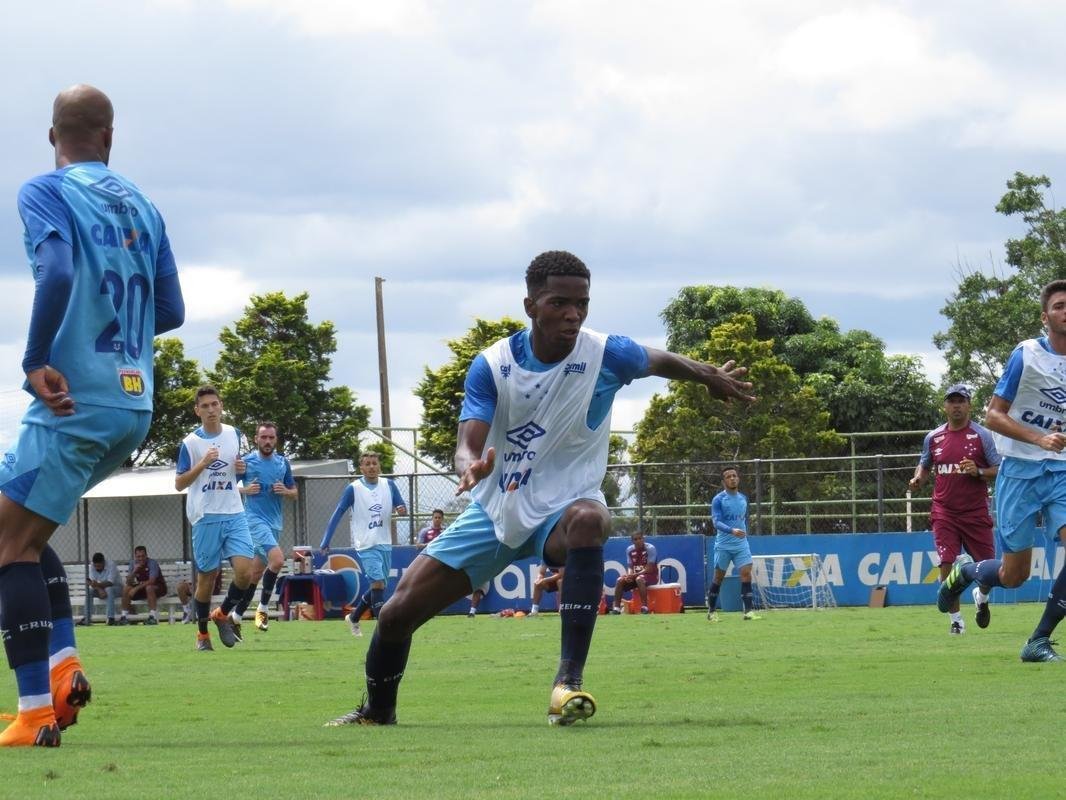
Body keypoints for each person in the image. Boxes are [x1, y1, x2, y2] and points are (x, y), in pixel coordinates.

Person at [323, 250, 754, 728]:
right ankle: (377, 713)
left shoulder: (605, 353)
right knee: (397, 614)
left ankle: (567, 682)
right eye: (559, 303)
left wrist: (709, 376)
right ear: (531, 305)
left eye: (582, 303)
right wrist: (471, 467)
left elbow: (659, 359)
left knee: (590, 520)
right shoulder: (493, 365)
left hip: (564, 509)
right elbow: (468, 443)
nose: (573, 314)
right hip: (496, 510)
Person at [0, 84, 184, 747]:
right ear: (110, 136)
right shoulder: (144, 204)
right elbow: (171, 311)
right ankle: (61, 673)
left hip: (72, 401)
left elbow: (54, 272)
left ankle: (34, 713)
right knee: (27, 533)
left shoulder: (46, 190)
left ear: (54, 138)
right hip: (132, 405)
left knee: (7, 547)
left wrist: (35, 360)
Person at [940, 279, 1066, 662]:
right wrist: (1038, 438)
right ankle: (966, 572)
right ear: (1045, 317)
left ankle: (1037, 641)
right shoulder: (1026, 355)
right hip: (1020, 472)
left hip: (1061, 471)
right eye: (1060, 305)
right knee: (1014, 575)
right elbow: (993, 415)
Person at [908, 384, 1000, 635]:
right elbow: (924, 464)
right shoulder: (934, 437)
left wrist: (979, 471)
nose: (956, 405)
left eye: (961, 401)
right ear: (945, 406)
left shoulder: (982, 435)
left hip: (975, 512)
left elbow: (999, 468)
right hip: (944, 511)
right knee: (946, 561)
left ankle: (981, 597)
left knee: (988, 568)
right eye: (952, 401)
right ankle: (956, 621)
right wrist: (918, 479)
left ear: (969, 405)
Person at [175, 385, 255, 652]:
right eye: (205, 406)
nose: (211, 410)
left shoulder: (234, 434)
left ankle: (222, 613)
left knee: (245, 572)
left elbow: (237, 474)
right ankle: (201, 634)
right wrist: (202, 464)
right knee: (206, 579)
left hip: (234, 511)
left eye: (215, 404)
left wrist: (242, 470)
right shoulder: (190, 443)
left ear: (221, 406)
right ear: (197, 410)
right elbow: (179, 483)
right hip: (205, 515)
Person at [319, 452, 408, 638]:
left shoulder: (389, 485)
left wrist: (401, 510)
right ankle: (385, 629)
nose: (371, 467)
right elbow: (338, 513)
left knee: (379, 587)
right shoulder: (354, 488)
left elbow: (402, 508)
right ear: (361, 468)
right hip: (366, 544)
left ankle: (354, 616)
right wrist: (326, 539)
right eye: (367, 464)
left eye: (374, 463)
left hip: (384, 543)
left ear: (379, 466)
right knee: (376, 583)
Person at [237, 422, 298, 632]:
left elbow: (294, 492)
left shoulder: (283, 463)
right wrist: (245, 490)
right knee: (278, 560)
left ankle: (234, 617)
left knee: (254, 574)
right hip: (253, 520)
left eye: (271, 438)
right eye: (264, 437)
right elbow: (228, 489)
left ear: (276, 440)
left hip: (275, 523)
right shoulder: (246, 462)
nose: (268, 441)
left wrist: (286, 491)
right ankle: (262, 610)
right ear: (256, 439)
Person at [706, 466, 761, 622]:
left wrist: (743, 532)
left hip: (741, 544)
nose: (732, 478)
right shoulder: (718, 499)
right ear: (724, 481)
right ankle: (711, 612)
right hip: (723, 544)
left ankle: (748, 612)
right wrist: (732, 530)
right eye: (728, 476)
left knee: (746, 574)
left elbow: (743, 519)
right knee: (718, 578)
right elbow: (716, 522)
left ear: (738, 478)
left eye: (734, 475)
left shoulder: (743, 498)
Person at [117, 545, 168, 625]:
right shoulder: (133, 564)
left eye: (143, 556)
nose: (141, 558)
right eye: (138, 556)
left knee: (149, 588)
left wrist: (136, 588)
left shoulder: (152, 563)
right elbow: (128, 582)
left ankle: (152, 617)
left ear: (146, 555)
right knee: (126, 589)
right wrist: (134, 571)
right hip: (143, 588)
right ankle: (124, 617)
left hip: (158, 588)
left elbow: (152, 581)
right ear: (135, 557)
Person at [610, 532, 658, 614]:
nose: (638, 541)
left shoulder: (650, 548)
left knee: (640, 579)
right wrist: (629, 575)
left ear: (644, 539)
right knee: (620, 580)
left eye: (640, 538)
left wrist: (634, 575)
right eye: (635, 539)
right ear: (632, 541)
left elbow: (649, 569)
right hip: (636, 576)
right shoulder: (629, 550)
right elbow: (630, 566)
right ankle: (616, 608)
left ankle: (644, 607)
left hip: (651, 576)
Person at [80, 552, 121, 626]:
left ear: (103, 562)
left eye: (99, 566)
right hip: (101, 590)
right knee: (89, 591)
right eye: (96, 566)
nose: (97, 568)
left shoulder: (111, 565)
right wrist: (100, 589)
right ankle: (87, 618)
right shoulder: (92, 565)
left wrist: (98, 586)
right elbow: (92, 582)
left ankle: (110, 618)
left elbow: (110, 582)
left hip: (117, 589)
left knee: (109, 589)